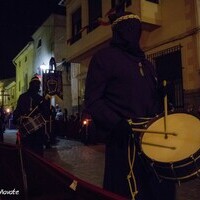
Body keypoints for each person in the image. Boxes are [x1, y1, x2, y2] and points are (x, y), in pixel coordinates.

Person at [84, 11, 176, 200]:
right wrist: (116, 123)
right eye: (129, 29)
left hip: (153, 143)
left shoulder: (146, 63)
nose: (133, 34)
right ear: (118, 31)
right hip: (123, 143)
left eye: (136, 29)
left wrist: (162, 96)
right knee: (127, 191)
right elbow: (93, 100)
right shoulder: (103, 59)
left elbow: (152, 103)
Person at [13, 75, 50, 156]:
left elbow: (45, 115)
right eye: (36, 85)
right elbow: (46, 114)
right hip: (30, 132)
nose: (37, 87)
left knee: (28, 154)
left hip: (33, 132)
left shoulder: (40, 99)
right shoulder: (39, 99)